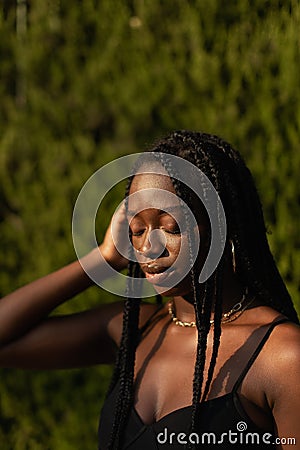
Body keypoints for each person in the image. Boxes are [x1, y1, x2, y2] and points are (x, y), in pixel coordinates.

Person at [0, 131, 299, 450]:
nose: (147, 246)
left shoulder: (282, 358)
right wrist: (103, 259)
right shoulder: (134, 332)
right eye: (136, 229)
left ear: (223, 222)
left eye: (171, 227)